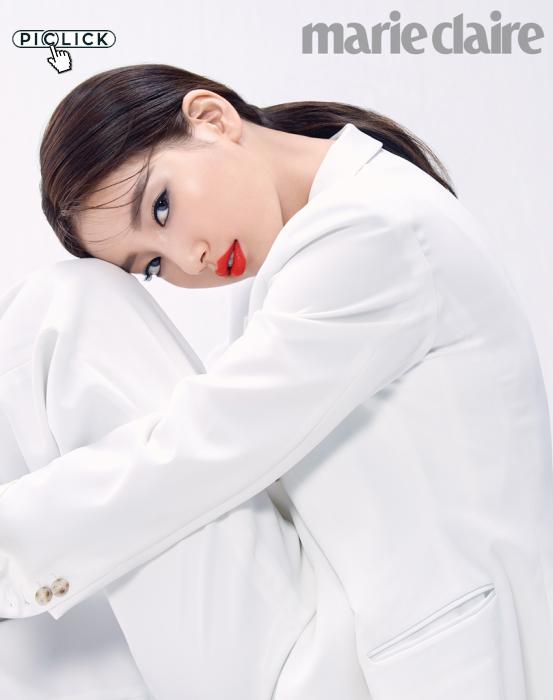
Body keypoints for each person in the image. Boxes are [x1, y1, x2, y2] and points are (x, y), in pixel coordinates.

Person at [1, 63, 553, 699]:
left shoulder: (375, 233)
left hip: (370, 672)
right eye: (151, 266)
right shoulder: (320, 241)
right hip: (339, 643)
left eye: (162, 207)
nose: (188, 260)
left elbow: (203, 444)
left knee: (63, 312)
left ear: (212, 119)